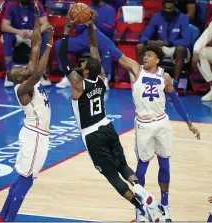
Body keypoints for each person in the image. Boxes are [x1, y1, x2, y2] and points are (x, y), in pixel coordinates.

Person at [59, 10, 162, 222]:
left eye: (85, 64)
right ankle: (141, 191)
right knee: (123, 166)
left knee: (112, 175)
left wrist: (67, 28)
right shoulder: (101, 78)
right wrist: (89, 26)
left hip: (93, 135)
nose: (83, 63)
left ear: (86, 72)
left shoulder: (78, 85)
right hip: (107, 127)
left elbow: (62, 55)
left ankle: (140, 207)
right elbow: (95, 47)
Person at [117, 44, 200, 221]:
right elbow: (116, 53)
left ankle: (165, 205)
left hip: (162, 123)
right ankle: (140, 208)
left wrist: (189, 122)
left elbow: (175, 99)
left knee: (165, 165)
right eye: (144, 54)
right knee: (141, 169)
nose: (145, 57)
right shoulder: (136, 71)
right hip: (144, 125)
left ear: (157, 60)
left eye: (149, 55)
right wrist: (93, 28)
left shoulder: (165, 76)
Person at [0, 5, 54, 222]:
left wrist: (36, 19)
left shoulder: (25, 78)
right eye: (21, 70)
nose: (25, 69)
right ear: (18, 79)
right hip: (35, 136)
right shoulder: (23, 87)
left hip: (35, 135)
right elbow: (40, 70)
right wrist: (50, 45)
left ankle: (0, 218)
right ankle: (8, 220)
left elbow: (34, 45)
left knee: (20, 181)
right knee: (25, 183)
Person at [54, 0, 117, 89]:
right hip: (83, 39)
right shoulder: (84, 8)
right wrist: (86, 18)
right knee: (60, 44)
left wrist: (94, 20)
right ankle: (69, 76)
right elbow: (79, 29)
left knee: (110, 47)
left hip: (101, 40)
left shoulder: (110, 10)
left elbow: (110, 30)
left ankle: (104, 78)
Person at [136, 0, 191, 87]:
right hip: (161, 48)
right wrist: (148, 41)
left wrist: (169, 43)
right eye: (166, 8)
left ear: (175, 7)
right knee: (140, 47)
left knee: (180, 50)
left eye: (170, 8)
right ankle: (142, 78)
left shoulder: (182, 18)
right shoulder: (157, 17)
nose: (168, 11)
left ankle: (175, 83)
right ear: (162, 7)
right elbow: (144, 36)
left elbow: (187, 40)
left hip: (176, 47)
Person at [1, 0, 51, 87]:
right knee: (7, 37)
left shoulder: (37, 4)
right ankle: (9, 73)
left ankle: (41, 73)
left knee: (46, 35)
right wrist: (18, 32)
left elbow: (46, 24)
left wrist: (34, 32)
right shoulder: (11, 5)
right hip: (18, 34)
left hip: (33, 35)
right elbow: (4, 26)